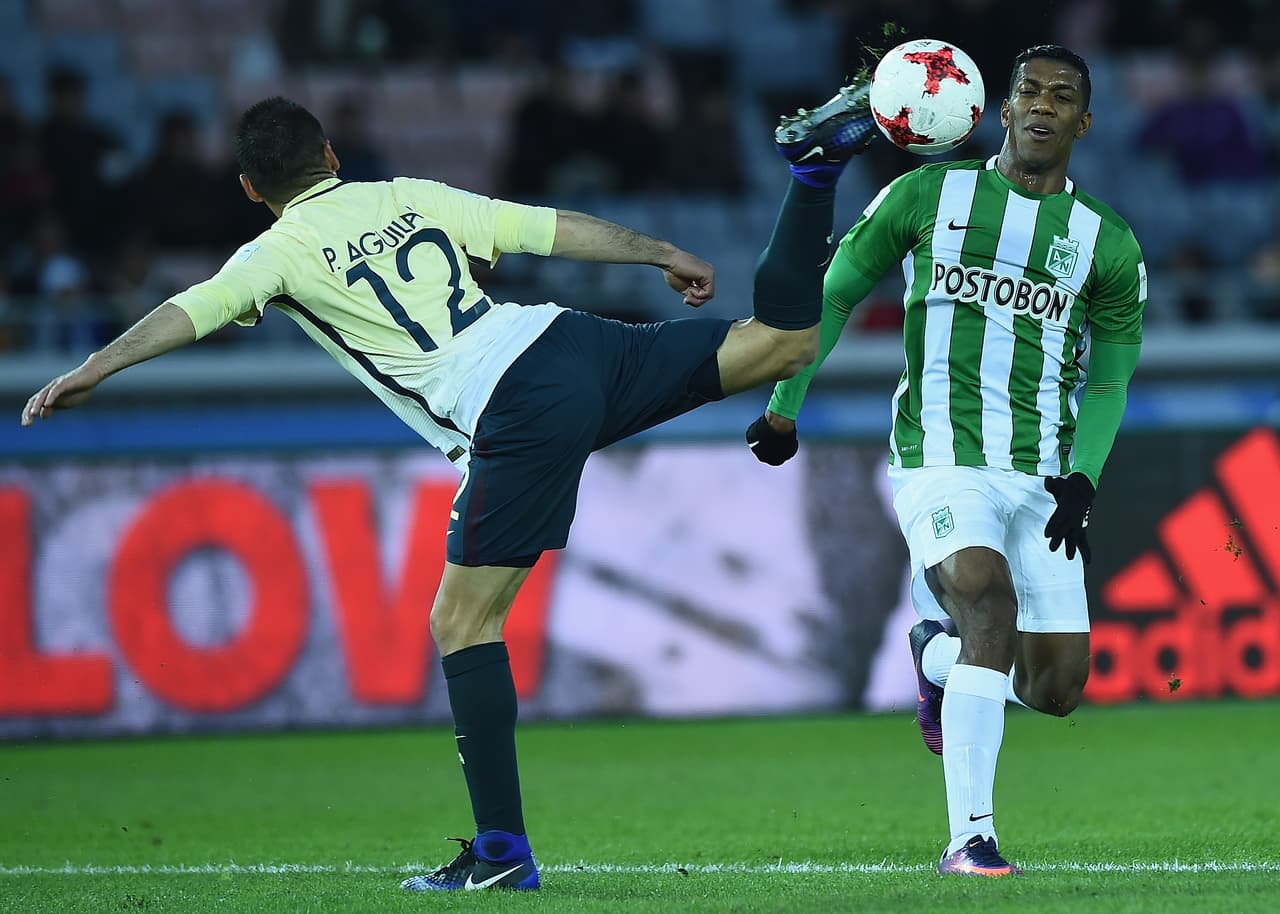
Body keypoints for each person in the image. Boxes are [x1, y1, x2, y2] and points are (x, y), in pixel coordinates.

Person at [21, 92, 875, 890]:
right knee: (781, 346)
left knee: (461, 622)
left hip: (511, 403)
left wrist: (96, 367)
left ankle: (501, 853)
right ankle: (810, 176)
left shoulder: (272, 253)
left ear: (251, 188)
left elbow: (190, 309)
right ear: (329, 152)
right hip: (570, 345)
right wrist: (660, 249)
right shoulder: (408, 194)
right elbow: (550, 229)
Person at [746, 45, 1146, 876]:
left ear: (1084, 120)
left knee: (1056, 688)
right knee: (987, 602)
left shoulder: (1106, 244)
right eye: (1028, 90)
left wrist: (1082, 481)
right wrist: (784, 409)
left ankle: (934, 654)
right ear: (1000, 108)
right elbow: (833, 297)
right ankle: (972, 838)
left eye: (1062, 96)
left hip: (1041, 475)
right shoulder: (928, 193)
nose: (1041, 105)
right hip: (940, 456)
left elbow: (1109, 380)